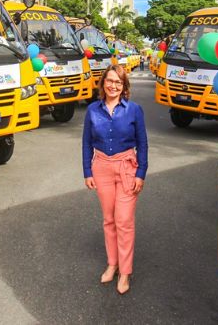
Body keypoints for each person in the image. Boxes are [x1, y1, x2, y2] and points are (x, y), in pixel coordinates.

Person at [82, 64, 148, 295]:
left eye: (118, 82)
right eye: (109, 81)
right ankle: (112, 264)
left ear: (124, 87)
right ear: (103, 83)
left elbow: (142, 144)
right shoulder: (92, 110)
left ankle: (125, 272)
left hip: (127, 167)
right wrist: (87, 172)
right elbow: (86, 143)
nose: (113, 85)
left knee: (124, 221)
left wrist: (141, 173)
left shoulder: (134, 110)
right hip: (101, 168)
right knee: (109, 220)